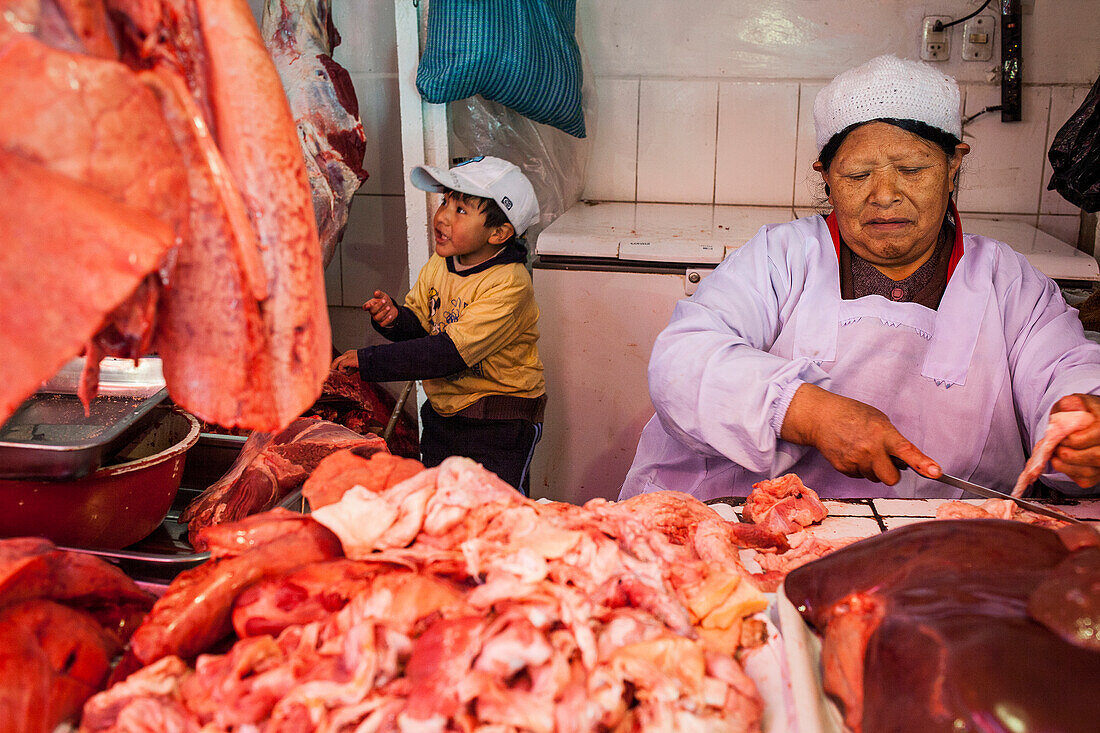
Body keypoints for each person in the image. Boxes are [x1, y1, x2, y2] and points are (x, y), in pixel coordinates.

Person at [620, 55, 1100, 500]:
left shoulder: (1010, 284)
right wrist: (808, 412)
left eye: (912, 169)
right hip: (767, 531)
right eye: (856, 176)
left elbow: (1068, 372)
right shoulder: (780, 258)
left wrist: (1078, 428)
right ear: (825, 175)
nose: (885, 195)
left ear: (954, 164)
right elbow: (682, 362)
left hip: (945, 549)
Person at [333, 156, 546, 494]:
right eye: (445, 201)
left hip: (497, 425)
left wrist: (368, 361)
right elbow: (422, 328)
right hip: (443, 416)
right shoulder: (440, 264)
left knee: (493, 517)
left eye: (461, 210)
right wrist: (394, 321)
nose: (443, 216)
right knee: (439, 508)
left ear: (499, 232)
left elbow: (446, 354)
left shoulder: (509, 284)